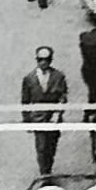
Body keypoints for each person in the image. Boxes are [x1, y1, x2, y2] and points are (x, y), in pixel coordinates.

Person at [21, 46, 69, 176]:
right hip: (38, 118)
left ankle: (48, 168)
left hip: (53, 118)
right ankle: (44, 175)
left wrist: (58, 114)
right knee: (41, 148)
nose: (43, 63)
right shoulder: (29, 78)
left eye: (46, 60)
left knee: (51, 146)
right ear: (37, 60)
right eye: (40, 60)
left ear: (50, 60)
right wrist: (27, 121)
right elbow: (25, 101)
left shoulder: (58, 76)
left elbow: (63, 97)